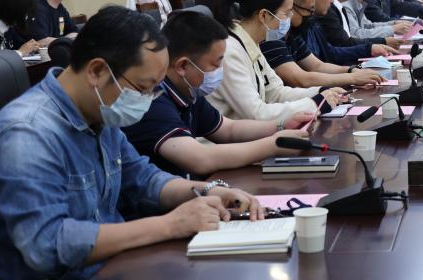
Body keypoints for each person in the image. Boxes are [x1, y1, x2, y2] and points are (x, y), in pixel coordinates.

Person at [0, 6, 263, 280]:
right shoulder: (26, 134)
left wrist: (207, 191)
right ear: (97, 71)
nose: (148, 100)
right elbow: (48, 244)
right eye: (143, 87)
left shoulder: (98, 113)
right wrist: (170, 225)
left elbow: (143, 178)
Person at [122, 11, 315, 178]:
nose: (220, 71)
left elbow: (228, 130)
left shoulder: (189, 93)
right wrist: (273, 144)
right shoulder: (154, 100)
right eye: (215, 64)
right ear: (183, 66)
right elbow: (200, 159)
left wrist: (281, 125)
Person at [208, 0, 343, 121]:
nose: (289, 19)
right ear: (264, 15)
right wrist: (315, 103)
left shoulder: (252, 43)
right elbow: (256, 113)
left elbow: (276, 93)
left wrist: (321, 92)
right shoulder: (230, 51)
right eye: (287, 13)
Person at [261, 0, 386, 90]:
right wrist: (352, 78)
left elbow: (317, 65)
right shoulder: (272, 38)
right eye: (287, 12)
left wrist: (352, 70)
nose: (311, 15)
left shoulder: (294, 34)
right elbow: (300, 79)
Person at [298, 0, 390, 66]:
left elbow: (329, 52)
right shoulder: (297, 31)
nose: (332, 0)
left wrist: (369, 49)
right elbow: (316, 67)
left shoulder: (313, 23)